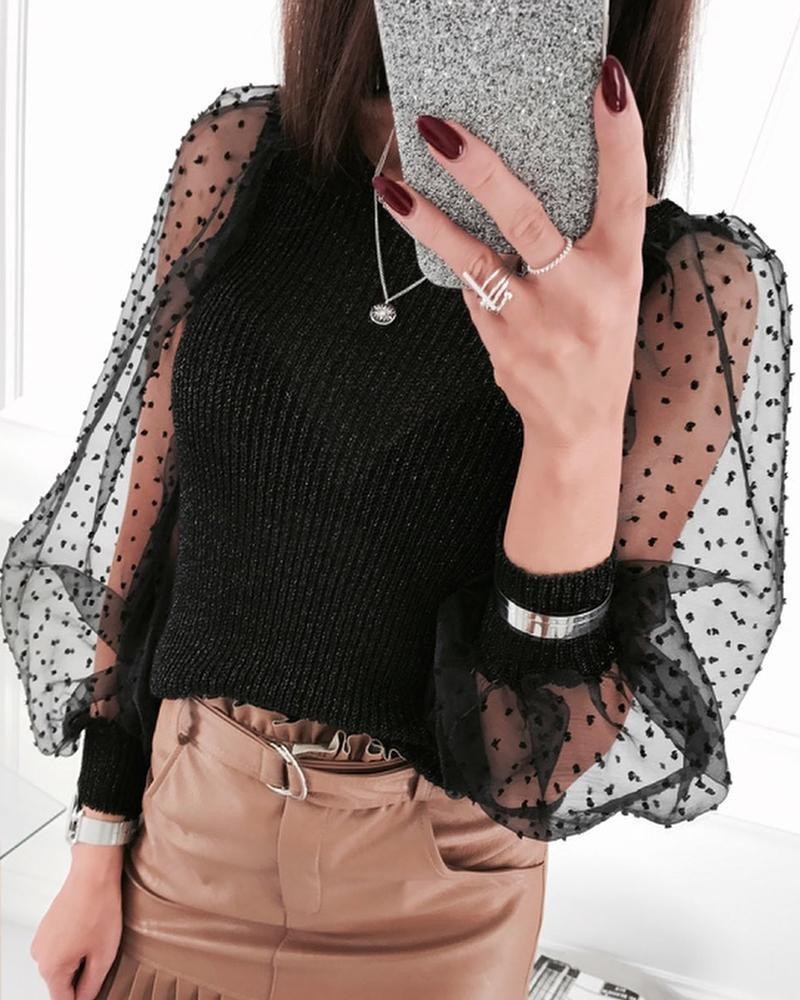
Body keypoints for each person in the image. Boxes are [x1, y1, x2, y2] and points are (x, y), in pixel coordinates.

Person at [1, 1, 791, 998]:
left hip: (438, 903)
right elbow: (150, 535)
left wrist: (574, 435)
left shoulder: (685, 286)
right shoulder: (239, 159)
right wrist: (98, 837)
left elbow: (535, 762)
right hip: (185, 831)